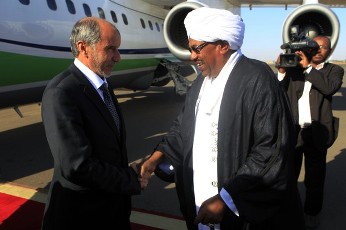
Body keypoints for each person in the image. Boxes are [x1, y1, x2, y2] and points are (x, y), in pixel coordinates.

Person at [139, 7, 305, 230]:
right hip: (203, 203)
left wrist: (228, 198)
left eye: (196, 48)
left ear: (223, 46)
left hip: (234, 208)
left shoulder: (258, 79)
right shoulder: (201, 83)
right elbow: (183, 128)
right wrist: (156, 157)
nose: (192, 56)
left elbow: (271, 150)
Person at [41, 17, 146, 230]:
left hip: (110, 211)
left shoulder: (101, 85)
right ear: (84, 48)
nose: (118, 57)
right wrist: (130, 179)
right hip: (82, 216)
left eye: (118, 49)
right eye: (110, 49)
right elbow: (77, 166)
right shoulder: (62, 92)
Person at [276, 35, 344, 229]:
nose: (320, 50)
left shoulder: (334, 70)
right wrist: (281, 71)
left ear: (329, 51)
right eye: (316, 46)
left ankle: (312, 212)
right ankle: (289, 210)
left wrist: (307, 68)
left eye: (324, 47)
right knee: (289, 174)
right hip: (294, 131)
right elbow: (279, 91)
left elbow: (329, 88)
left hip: (317, 131)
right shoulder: (294, 68)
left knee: (315, 178)